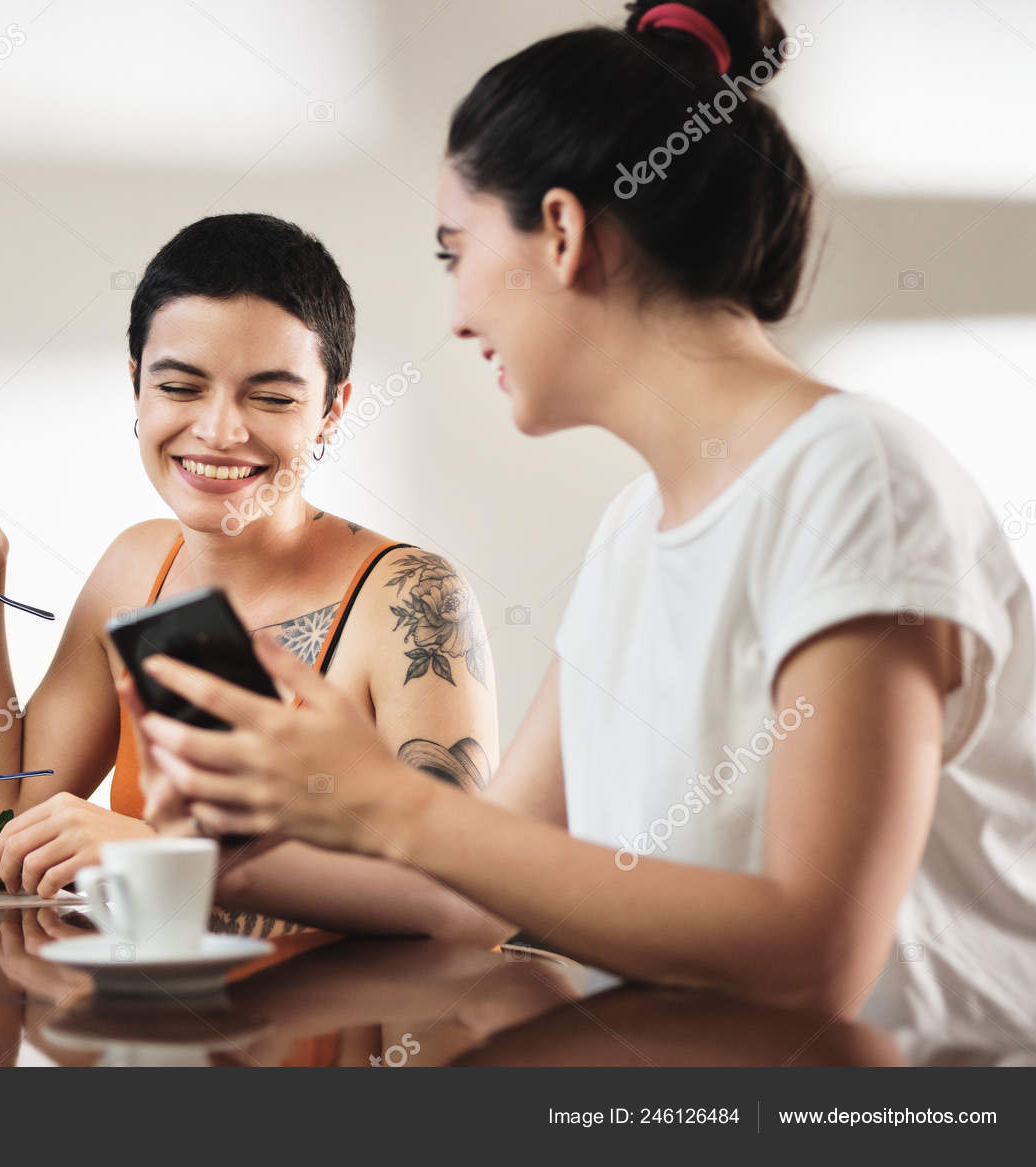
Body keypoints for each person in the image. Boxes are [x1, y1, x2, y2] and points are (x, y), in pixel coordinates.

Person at [129, 1, 1036, 1063]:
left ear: (560, 233)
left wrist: (384, 801)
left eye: (453, 250)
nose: (458, 313)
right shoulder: (634, 529)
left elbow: (813, 955)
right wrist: (233, 852)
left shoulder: (854, 478)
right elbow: (474, 884)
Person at [0, 213, 505, 939]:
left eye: (273, 397)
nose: (220, 431)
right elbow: (1, 827)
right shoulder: (136, 568)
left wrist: (162, 856)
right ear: (137, 388)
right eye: (182, 388)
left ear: (332, 411)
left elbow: (465, 900)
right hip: (154, 1036)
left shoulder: (410, 597)